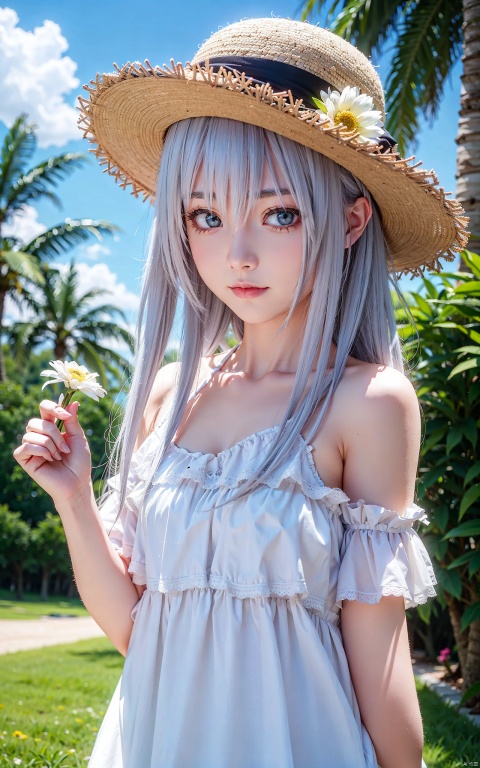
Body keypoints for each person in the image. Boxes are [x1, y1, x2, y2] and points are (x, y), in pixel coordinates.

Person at [14, 17, 467, 768]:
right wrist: (72, 496)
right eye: (206, 215)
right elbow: (138, 630)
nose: (239, 253)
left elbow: (381, 667)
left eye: (279, 212)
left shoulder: (369, 403)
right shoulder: (169, 393)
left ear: (351, 219)